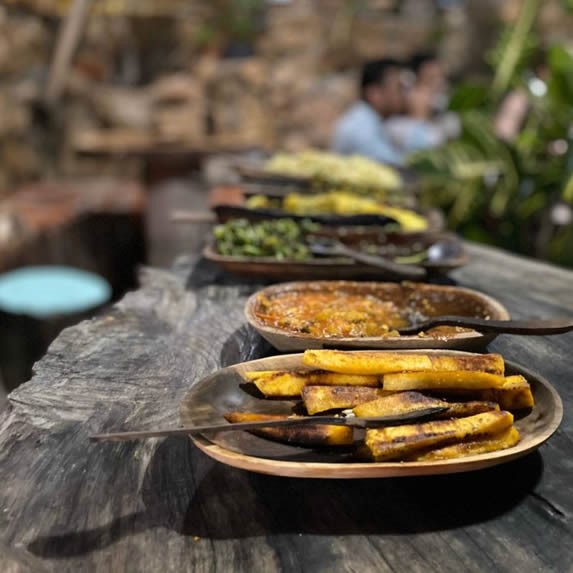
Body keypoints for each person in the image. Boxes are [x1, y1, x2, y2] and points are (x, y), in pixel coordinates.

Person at [332, 59, 409, 165]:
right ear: (374, 94)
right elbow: (394, 167)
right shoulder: (361, 129)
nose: (404, 95)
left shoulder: (369, 119)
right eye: (398, 88)